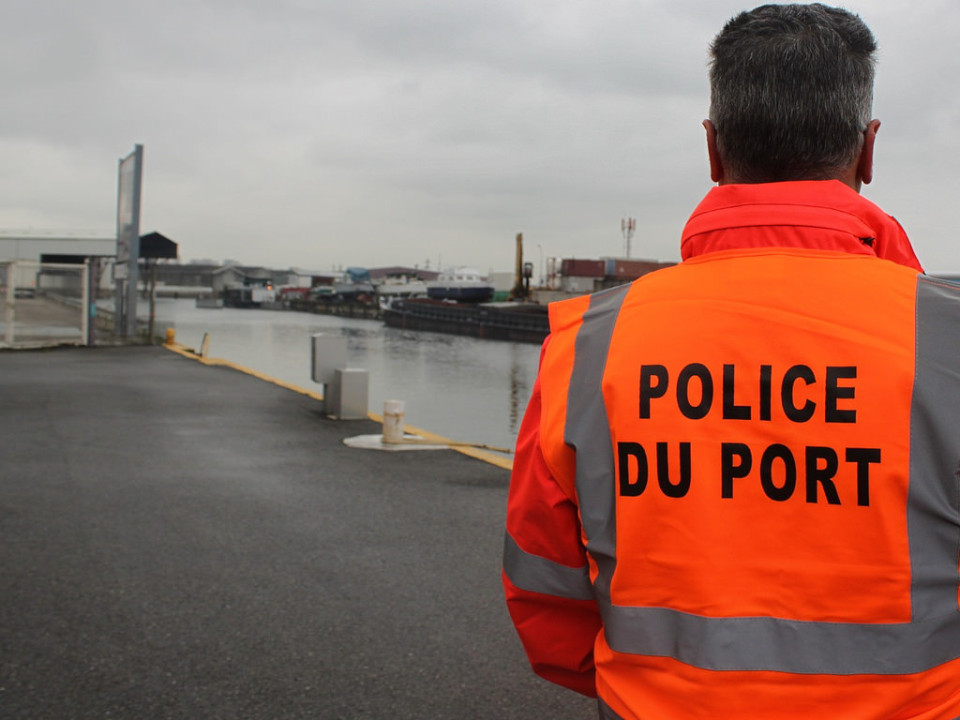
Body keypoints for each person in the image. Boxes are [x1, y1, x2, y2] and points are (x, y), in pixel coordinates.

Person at [501, 4, 960, 719]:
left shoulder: (589, 344)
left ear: (713, 151)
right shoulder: (946, 342)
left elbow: (544, 584)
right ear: (868, 151)